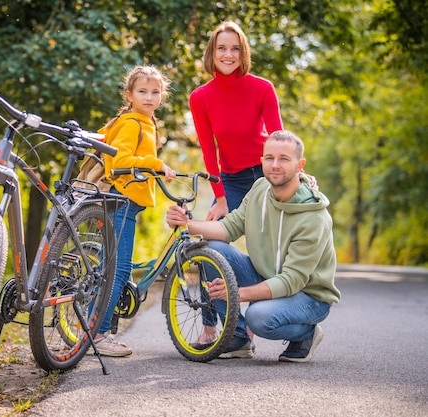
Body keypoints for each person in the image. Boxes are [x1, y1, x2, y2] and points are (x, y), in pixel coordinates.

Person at [166, 130, 340, 362]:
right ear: (262, 161)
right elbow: (228, 228)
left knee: (258, 318)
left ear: (300, 165)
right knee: (211, 248)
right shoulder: (259, 189)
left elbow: (291, 280)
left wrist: (236, 293)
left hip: (308, 294)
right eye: (269, 158)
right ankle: (238, 338)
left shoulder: (313, 218)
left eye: (284, 159)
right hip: (265, 275)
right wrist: (186, 224)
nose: (275, 165)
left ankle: (307, 333)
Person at [95, 65, 177, 357]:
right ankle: (99, 335)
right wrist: (157, 165)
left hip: (128, 202)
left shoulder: (147, 122)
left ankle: (94, 329)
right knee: (118, 270)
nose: (150, 97)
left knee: (116, 268)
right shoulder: (132, 122)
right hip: (121, 200)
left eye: (155, 92)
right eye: (142, 91)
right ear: (129, 95)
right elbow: (119, 161)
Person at [189, 20, 283, 220]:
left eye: (235, 49)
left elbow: (279, 140)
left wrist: (296, 174)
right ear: (212, 53)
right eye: (221, 48)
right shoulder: (200, 98)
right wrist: (220, 199)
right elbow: (209, 153)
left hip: (267, 174)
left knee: (269, 242)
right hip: (232, 180)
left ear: (243, 53)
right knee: (212, 242)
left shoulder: (263, 88)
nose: (228, 55)